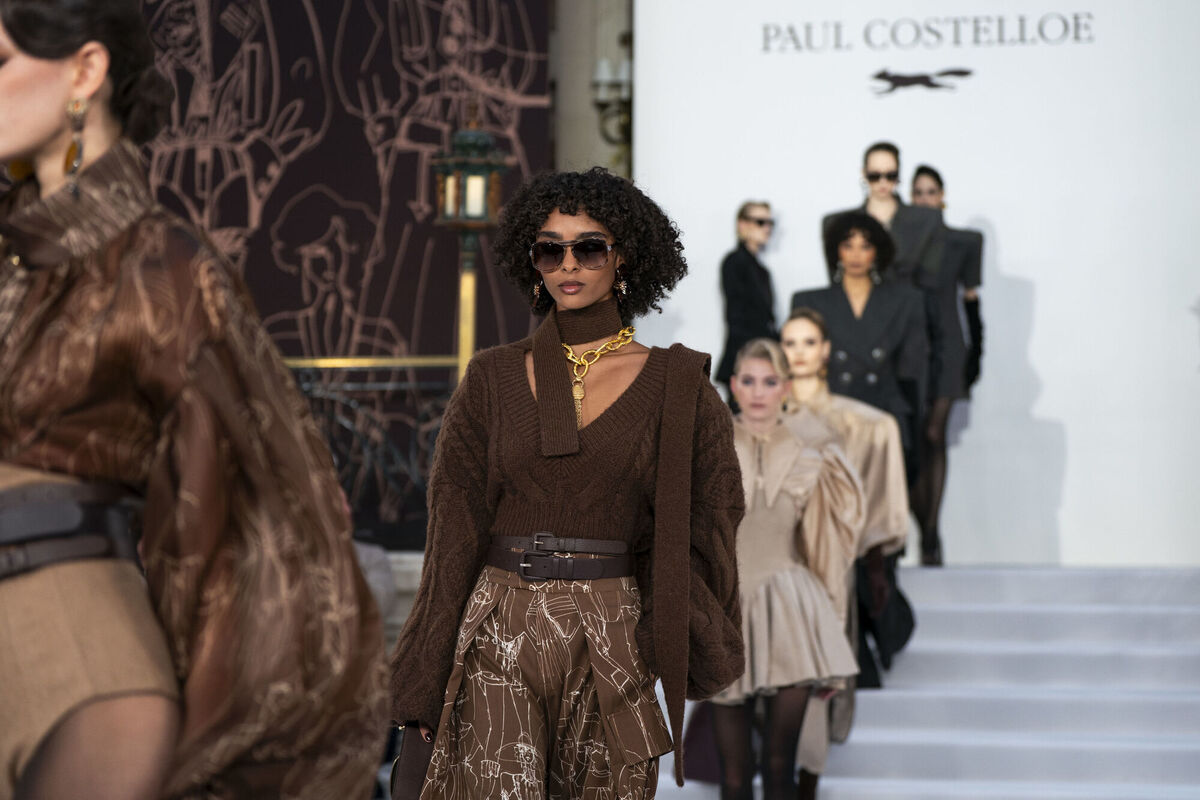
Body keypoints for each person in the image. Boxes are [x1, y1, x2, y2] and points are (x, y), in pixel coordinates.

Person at [0, 3, 388, 798]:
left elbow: (264, 525)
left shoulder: (167, 271)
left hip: (83, 669)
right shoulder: (14, 257)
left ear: (84, 71)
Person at [388, 167, 746, 797]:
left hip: (614, 631)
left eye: (589, 246)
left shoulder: (678, 385)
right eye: (549, 248)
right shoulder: (494, 377)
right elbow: (453, 531)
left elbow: (709, 523)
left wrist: (680, 637)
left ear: (624, 256)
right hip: (500, 620)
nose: (567, 263)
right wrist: (423, 681)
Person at [708, 338, 863, 800]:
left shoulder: (813, 456)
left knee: (780, 771)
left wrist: (832, 643)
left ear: (786, 388)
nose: (758, 392)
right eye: (749, 381)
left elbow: (828, 557)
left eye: (770, 381)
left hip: (791, 611)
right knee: (733, 778)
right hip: (724, 612)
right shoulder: (707, 451)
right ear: (733, 386)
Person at [780, 308, 911, 796]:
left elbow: (871, 502)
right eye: (789, 342)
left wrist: (876, 566)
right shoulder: (760, 417)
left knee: (817, 679)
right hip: (772, 565)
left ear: (827, 350)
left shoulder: (862, 425)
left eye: (808, 342)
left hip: (831, 569)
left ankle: (805, 780)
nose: (798, 353)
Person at [792, 212, 928, 481]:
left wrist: (916, 431)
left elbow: (913, 371)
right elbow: (798, 369)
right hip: (828, 417)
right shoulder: (810, 301)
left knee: (879, 510)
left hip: (884, 415)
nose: (855, 254)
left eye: (865, 246)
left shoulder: (906, 301)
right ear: (835, 251)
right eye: (847, 245)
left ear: (878, 251)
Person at [908, 164, 985, 565]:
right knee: (915, 440)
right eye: (917, 192)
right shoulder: (901, 242)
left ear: (943, 196)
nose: (924, 199)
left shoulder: (965, 242)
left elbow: (971, 300)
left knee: (934, 434)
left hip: (950, 346)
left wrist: (978, 354)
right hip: (911, 347)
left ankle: (932, 533)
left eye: (930, 192)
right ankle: (926, 531)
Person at [715, 201, 779, 399]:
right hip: (744, 360)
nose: (767, 228)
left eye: (770, 223)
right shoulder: (735, 262)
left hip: (760, 359)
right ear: (742, 225)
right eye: (761, 222)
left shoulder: (761, 270)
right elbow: (739, 317)